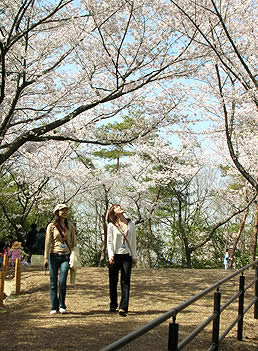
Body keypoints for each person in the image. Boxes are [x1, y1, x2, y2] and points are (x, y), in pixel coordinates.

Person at [43, 203, 77, 315]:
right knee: (53, 282)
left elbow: (74, 242)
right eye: (62, 210)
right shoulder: (51, 226)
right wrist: (45, 257)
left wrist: (75, 255)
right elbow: (48, 242)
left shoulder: (70, 226)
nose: (65, 212)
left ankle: (62, 305)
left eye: (66, 210)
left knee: (62, 281)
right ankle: (54, 306)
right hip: (54, 255)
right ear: (57, 212)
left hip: (66, 256)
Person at [107, 204, 137, 317]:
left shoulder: (131, 225)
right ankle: (113, 304)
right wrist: (110, 255)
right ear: (114, 213)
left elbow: (133, 241)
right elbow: (109, 242)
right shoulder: (111, 225)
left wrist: (134, 256)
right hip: (115, 255)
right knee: (113, 282)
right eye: (117, 207)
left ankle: (123, 307)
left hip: (126, 256)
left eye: (120, 206)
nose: (120, 207)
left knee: (125, 281)